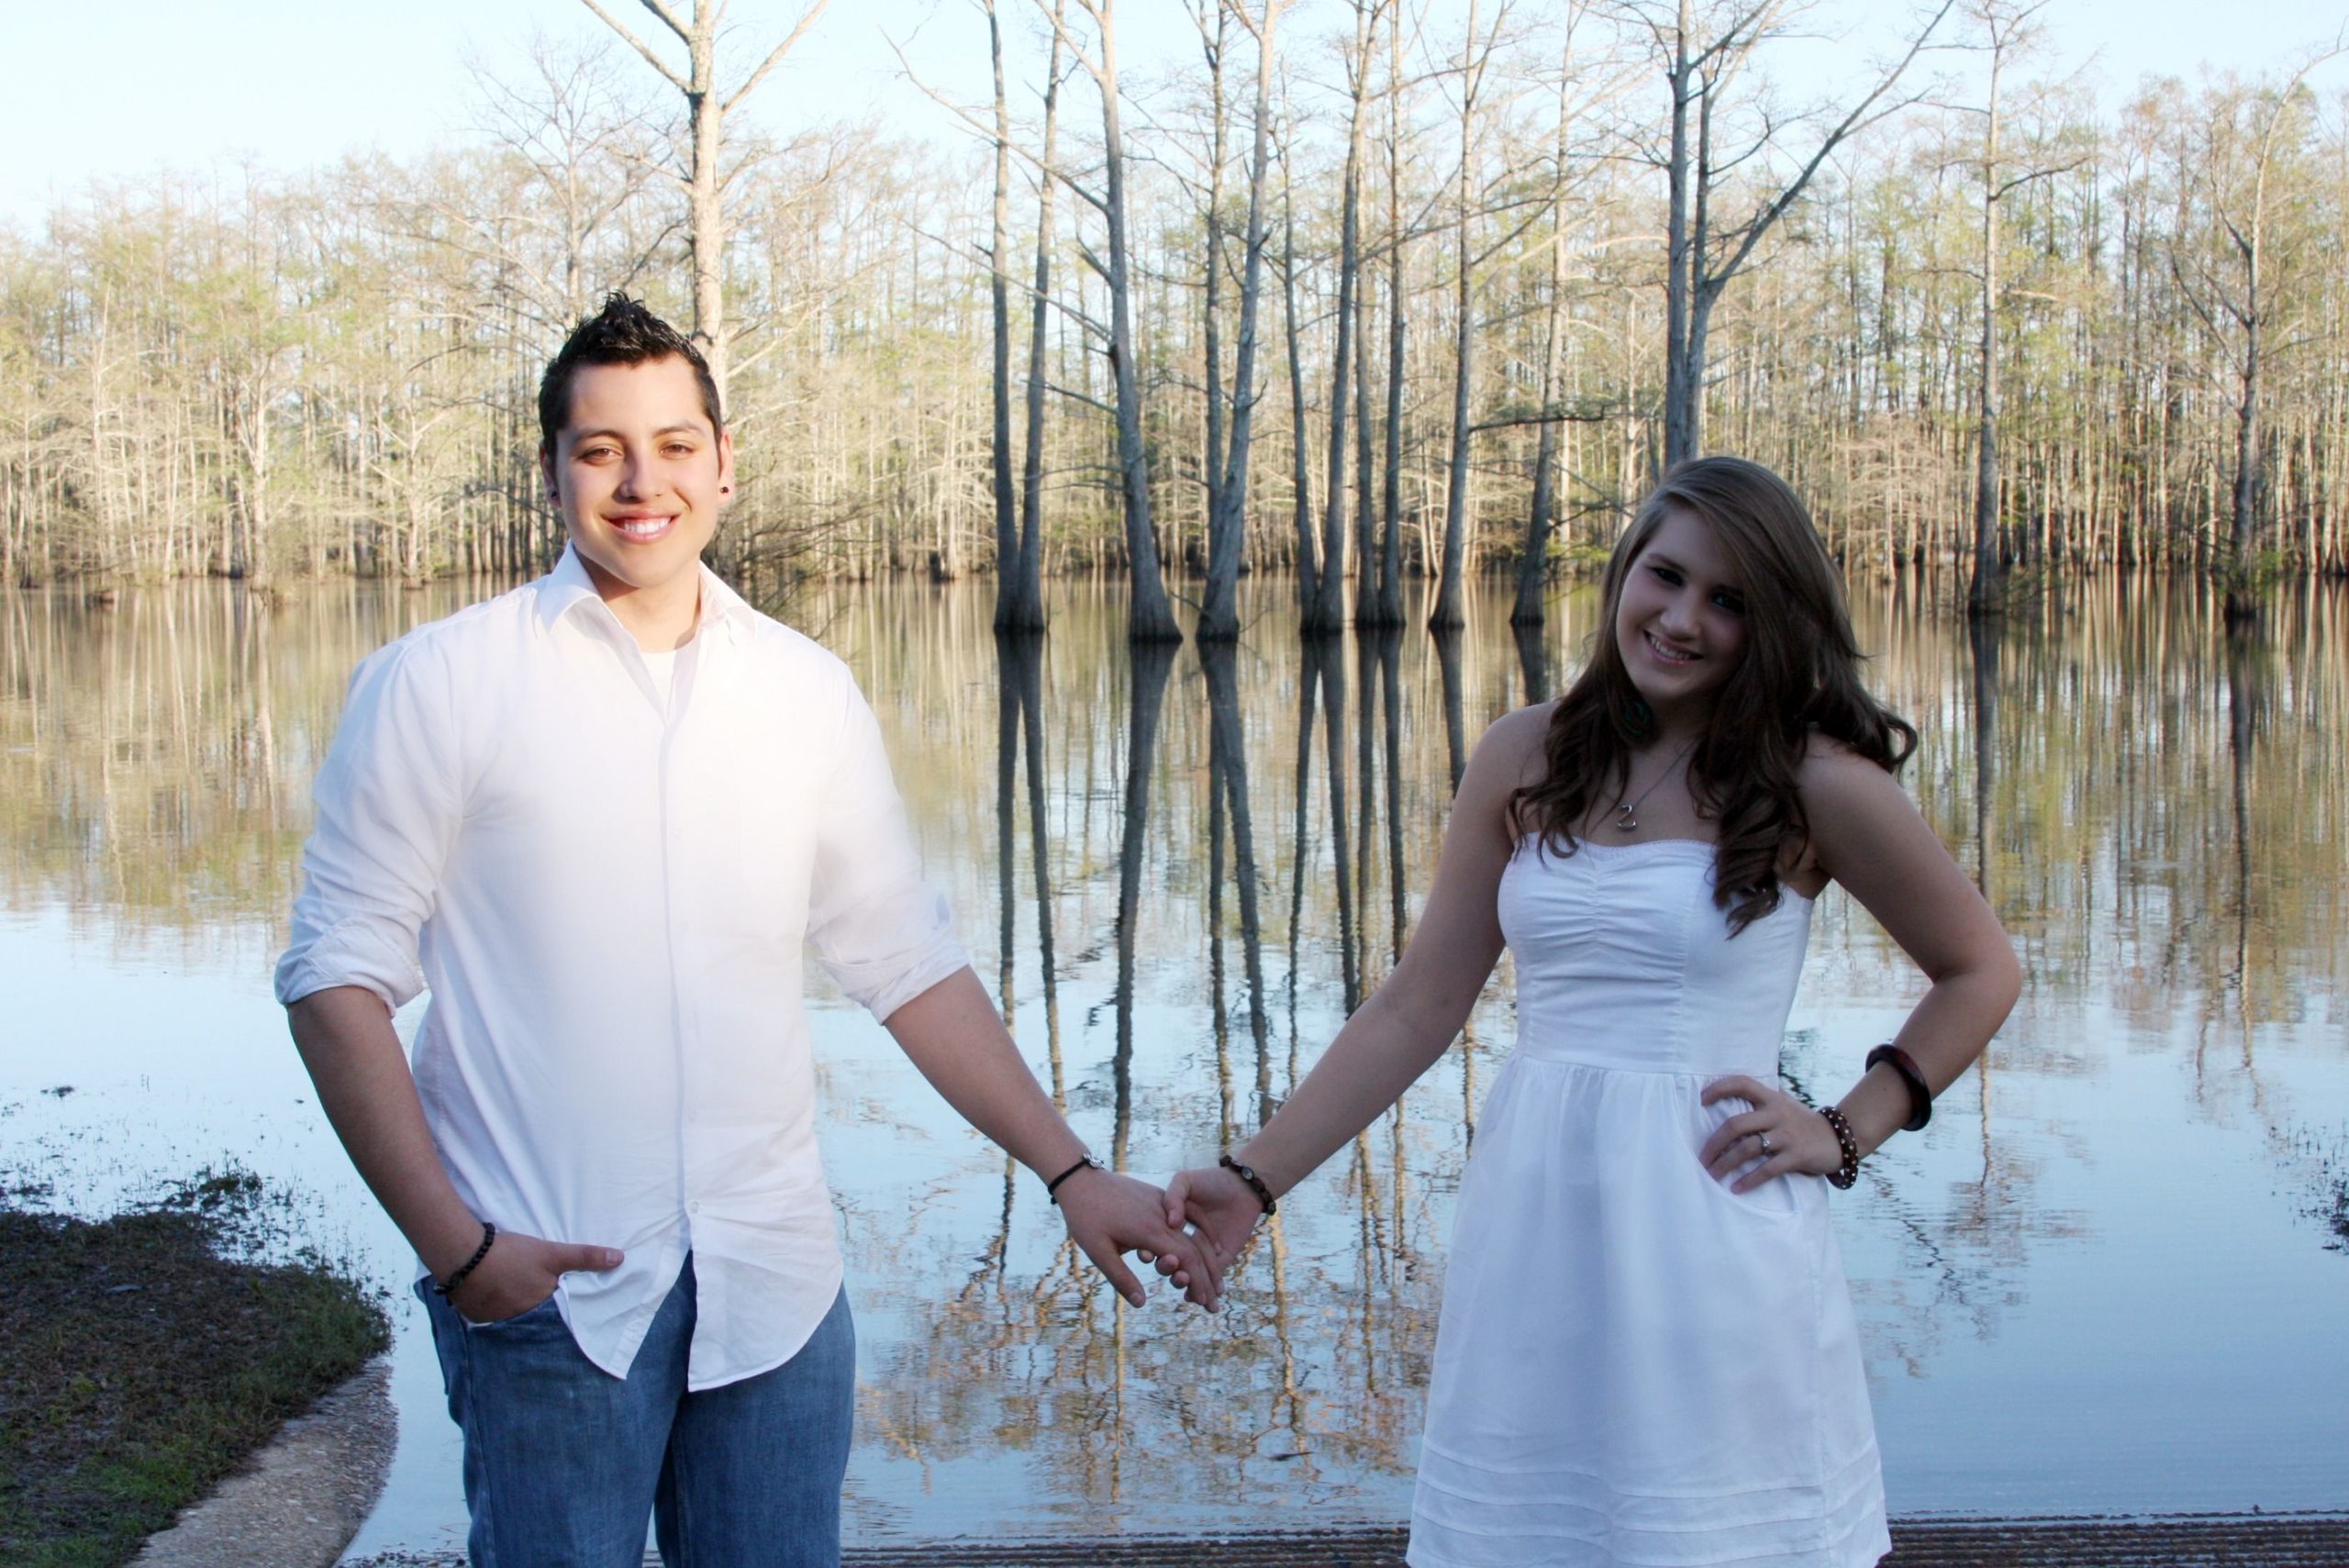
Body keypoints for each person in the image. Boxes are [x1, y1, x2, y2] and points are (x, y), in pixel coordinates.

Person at [275, 294, 1215, 1568]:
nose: (638, 481)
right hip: (549, 1291)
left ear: (724, 464)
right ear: (551, 468)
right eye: (600, 448)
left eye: (672, 444)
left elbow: (906, 962)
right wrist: (462, 1251)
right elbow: (336, 980)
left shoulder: (803, 692)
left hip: (773, 1286)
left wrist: (1069, 1171)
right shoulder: (440, 684)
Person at [1163, 457, 2021, 1567]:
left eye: (1728, 600)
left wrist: (1845, 1125)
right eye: (1663, 576)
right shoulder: (1526, 752)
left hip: (1710, 1221)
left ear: (1774, 623)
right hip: (1536, 1217)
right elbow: (1422, 1002)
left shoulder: (1813, 780)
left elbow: (1980, 968)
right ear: (1623, 568)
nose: (1679, 619)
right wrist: (1253, 1176)